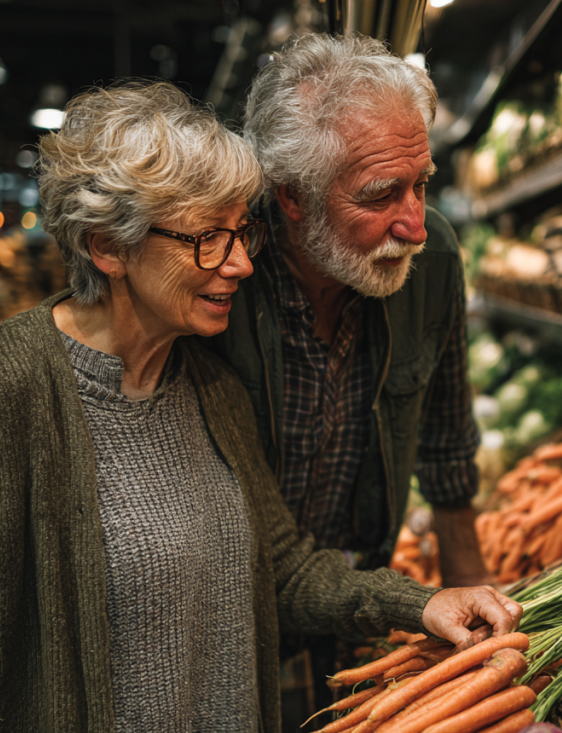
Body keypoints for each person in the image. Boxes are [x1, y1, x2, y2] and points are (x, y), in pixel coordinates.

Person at [0, 82, 522, 733]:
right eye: (206, 240)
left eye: (238, 234)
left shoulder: (208, 386)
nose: (238, 263)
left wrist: (421, 601)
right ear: (108, 247)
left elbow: (281, 564)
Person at [211, 33, 493, 587]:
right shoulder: (221, 277)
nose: (413, 225)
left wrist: (472, 588)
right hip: (239, 609)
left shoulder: (432, 257)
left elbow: (446, 439)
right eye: (381, 195)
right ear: (293, 196)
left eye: (421, 185)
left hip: (362, 597)